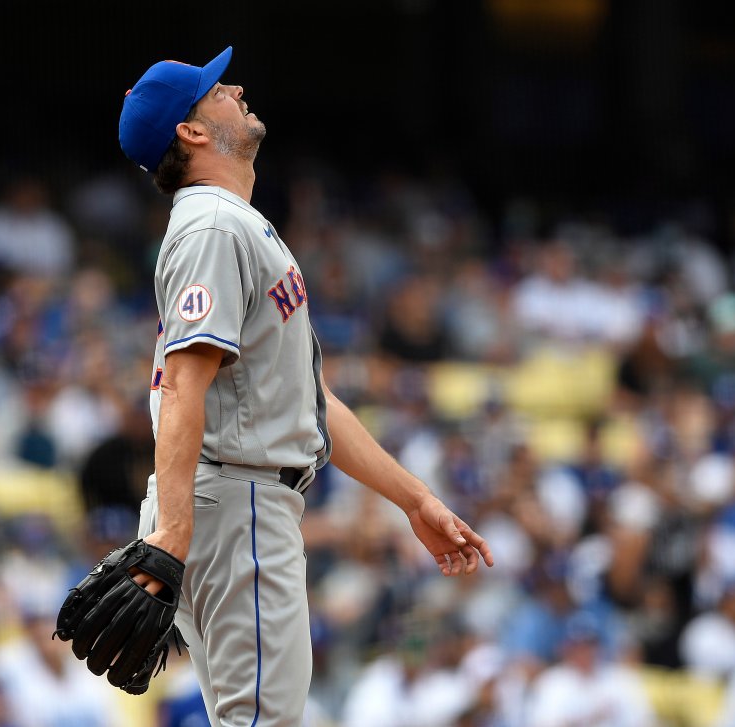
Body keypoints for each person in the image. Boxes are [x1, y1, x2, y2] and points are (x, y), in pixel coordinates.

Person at [114, 47, 494, 726]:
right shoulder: (211, 224)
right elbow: (182, 386)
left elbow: (308, 400)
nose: (233, 86)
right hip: (238, 501)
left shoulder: (229, 223)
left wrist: (414, 499)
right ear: (193, 132)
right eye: (213, 90)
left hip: (237, 497)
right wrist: (173, 533)